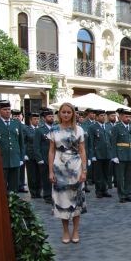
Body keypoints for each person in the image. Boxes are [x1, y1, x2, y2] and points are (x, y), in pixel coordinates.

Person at [47, 103, 87, 244]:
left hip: (76, 167)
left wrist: (84, 170)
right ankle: (65, 231)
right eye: (63, 112)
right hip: (59, 169)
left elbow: (82, 151)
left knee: (76, 200)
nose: (66, 114)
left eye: (68, 112)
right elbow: (51, 151)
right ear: (59, 113)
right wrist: (50, 170)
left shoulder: (79, 130)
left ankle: (75, 230)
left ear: (73, 114)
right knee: (62, 200)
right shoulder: (54, 130)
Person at [0, 100, 25, 193]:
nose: (8, 111)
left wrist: (21, 158)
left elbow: (21, 142)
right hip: (1, 160)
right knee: (0, 186)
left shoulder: (16, 123)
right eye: (5, 109)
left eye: (9, 109)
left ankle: (13, 206)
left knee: (14, 187)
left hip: (15, 159)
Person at [110, 109, 131, 203]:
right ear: (121, 117)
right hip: (120, 155)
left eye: (129, 116)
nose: (128, 118)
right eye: (126, 116)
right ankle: (121, 195)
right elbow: (113, 143)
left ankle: (128, 194)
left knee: (129, 176)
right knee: (120, 177)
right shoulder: (117, 127)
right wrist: (114, 156)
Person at [87, 109, 113, 198]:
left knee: (106, 173)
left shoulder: (108, 127)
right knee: (98, 174)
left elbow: (110, 141)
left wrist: (112, 153)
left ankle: (104, 189)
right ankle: (98, 191)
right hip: (98, 154)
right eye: (101, 116)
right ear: (97, 117)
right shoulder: (92, 127)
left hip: (107, 153)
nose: (103, 117)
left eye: (104, 115)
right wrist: (92, 155)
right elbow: (90, 142)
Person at [34, 109, 55, 204]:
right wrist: (39, 159)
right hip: (45, 158)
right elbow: (36, 146)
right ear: (44, 118)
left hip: (56, 158)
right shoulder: (40, 130)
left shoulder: (56, 128)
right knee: (46, 178)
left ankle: (55, 194)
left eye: (52, 116)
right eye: (49, 116)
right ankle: (47, 195)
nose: (51, 118)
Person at [24, 112, 42, 199]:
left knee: (39, 174)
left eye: (38, 119)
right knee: (32, 175)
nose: (37, 121)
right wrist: (24, 154)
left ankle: (39, 191)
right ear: (30, 120)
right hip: (30, 154)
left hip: (39, 155)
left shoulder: (41, 129)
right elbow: (23, 142)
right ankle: (33, 192)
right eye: (35, 119)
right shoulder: (26, 129)